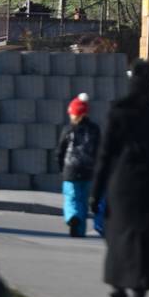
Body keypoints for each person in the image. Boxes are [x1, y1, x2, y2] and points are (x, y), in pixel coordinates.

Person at [90, 60, 149, 297]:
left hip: (121, 186)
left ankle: (117, 296)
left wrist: (95, 191)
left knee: (118, 242)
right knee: (146, 245)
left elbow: (104, 154)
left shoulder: (118, 112)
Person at [57, 93, 100, 237]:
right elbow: (99, 150)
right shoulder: (94, 129)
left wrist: (61, 168)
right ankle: (79, 231)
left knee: (71, 198)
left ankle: (72, 217)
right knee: (82, 200)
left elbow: (60, 151)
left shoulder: (68, 129)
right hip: (88, 170)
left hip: (70, 170)